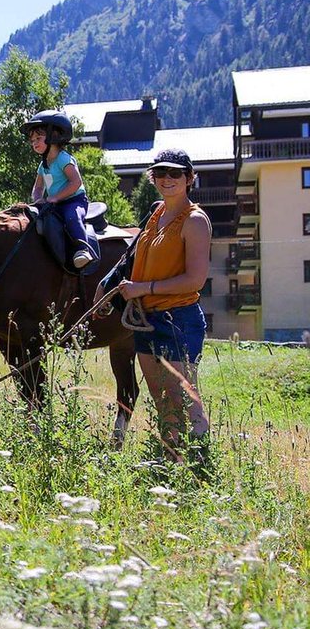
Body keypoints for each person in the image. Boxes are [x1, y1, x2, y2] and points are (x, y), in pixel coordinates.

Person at [114, 148, 212, 473]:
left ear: (189, 178)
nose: (167, 179)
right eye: (160, 173)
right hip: (148, 317)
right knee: (161, 397)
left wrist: (143, 289)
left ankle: (200, 467)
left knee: (183, 395)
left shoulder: (195, 221)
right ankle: (173, 462)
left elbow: (195, 280)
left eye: (175, 173)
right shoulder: (156, 213)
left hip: (178, 319)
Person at [21, 110, 95, 269]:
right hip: (54, 204)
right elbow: (38, 187)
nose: (34, 143)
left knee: (72, 217)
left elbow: (76, 182)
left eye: (38, 138)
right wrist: (38, 199)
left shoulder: (63, 159)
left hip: (73, 201)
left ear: (53, 136)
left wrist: (55, 197)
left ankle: (83, 249)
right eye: (32, 140)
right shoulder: (43, 165)